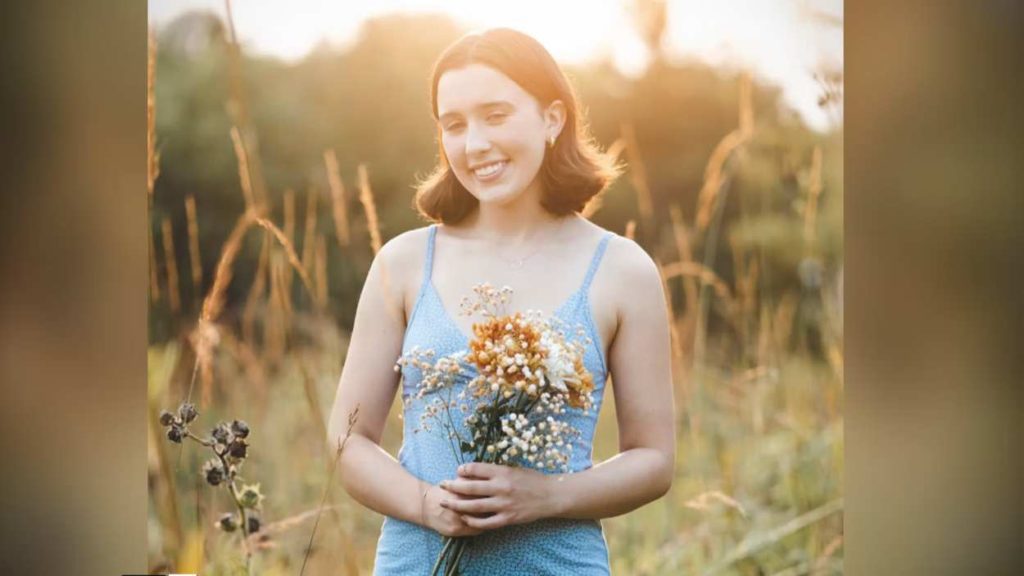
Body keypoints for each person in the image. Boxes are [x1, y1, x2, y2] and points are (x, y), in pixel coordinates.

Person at [327, 27, 675, 575]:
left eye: (496, 115)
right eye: (454, 125)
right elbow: (349, 443)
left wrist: (546, 495)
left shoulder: (622, 269)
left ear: (552, 119)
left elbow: (654, 460)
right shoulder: (402, 262)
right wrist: (429, 506)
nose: (475, 144)